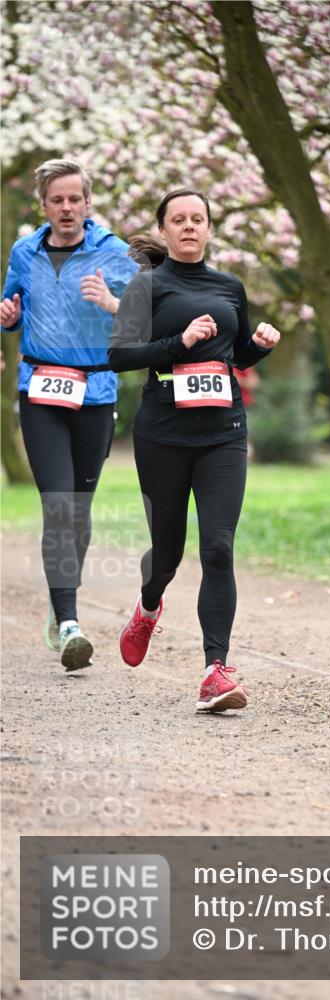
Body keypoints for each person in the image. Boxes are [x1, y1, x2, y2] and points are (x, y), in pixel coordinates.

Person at [108, 188, 280, 712]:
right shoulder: (147, 286)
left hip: (224, 433)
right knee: (168, 553)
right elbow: (118, 357)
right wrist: (177, 344)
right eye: (177, 219)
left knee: (219, 547)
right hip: (162, 434)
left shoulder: (229, 286)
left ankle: (215, 670)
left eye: (197, 219)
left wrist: (260, 347)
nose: (188, 226)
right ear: (163, 231)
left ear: (208, 228)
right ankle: (149, 604)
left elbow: (236, 358)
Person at [0, 158, 137, 670]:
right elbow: (11, 306)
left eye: (74, 198)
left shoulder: (114, 253)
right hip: (39, 391)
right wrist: (8, 316)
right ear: (43, 206)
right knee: (58, 505)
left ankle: (62, 608)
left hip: (95, 392)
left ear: (87, 203)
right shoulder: (23, 251)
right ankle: (69, 619)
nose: (66, 208)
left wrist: (111, 303)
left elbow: (145, 314)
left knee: (78, 510)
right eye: (56, 200)